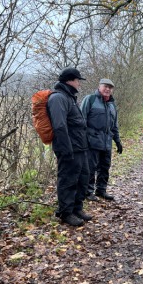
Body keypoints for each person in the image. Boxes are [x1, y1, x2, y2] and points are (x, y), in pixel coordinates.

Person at [47, 67, 92, 227]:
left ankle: (77, 208)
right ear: (70, 80)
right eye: (78, 80)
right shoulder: (58, 98)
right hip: (69, 149)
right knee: (68, 180)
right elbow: (59, 126)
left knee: (83, 178)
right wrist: (66, 150)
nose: (79, 83)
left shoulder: (70, 97)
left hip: (80, 147)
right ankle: (66, 213)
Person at [80, 78, 123, 201]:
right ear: (99, 87)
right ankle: (88, 192)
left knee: (105, 167)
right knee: (90, 167)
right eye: (105, 86)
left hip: (107, 142)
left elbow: (114, 126)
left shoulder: (112, 104)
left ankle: (101, 190)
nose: (107, 89)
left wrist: (117, 141)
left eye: (110, 87)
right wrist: (82, 139)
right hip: (91, 141)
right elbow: (81, 120)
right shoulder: (90, 99)